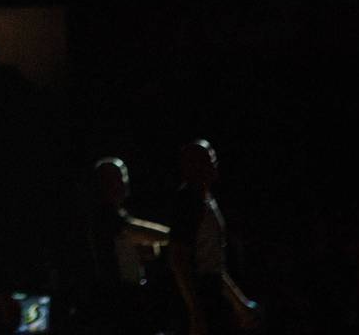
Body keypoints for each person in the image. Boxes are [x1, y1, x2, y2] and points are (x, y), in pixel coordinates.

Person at [169, 140, 257, 335]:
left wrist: (238, 303)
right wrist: (195, 310)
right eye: (203, 161)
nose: (211, 165)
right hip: (201, 294)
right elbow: (179, 258)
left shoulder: (207, 201)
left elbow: (214, 264)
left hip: (210, 293)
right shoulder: (189, 203)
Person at [87, 157, 171, 334]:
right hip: (117, 297)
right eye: (116, 178)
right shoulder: (105, 216)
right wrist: (174, 236)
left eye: (122, 176)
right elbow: (137, 231)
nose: (123, 182)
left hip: (126, 295)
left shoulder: (116, 215)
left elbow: (143, 252)